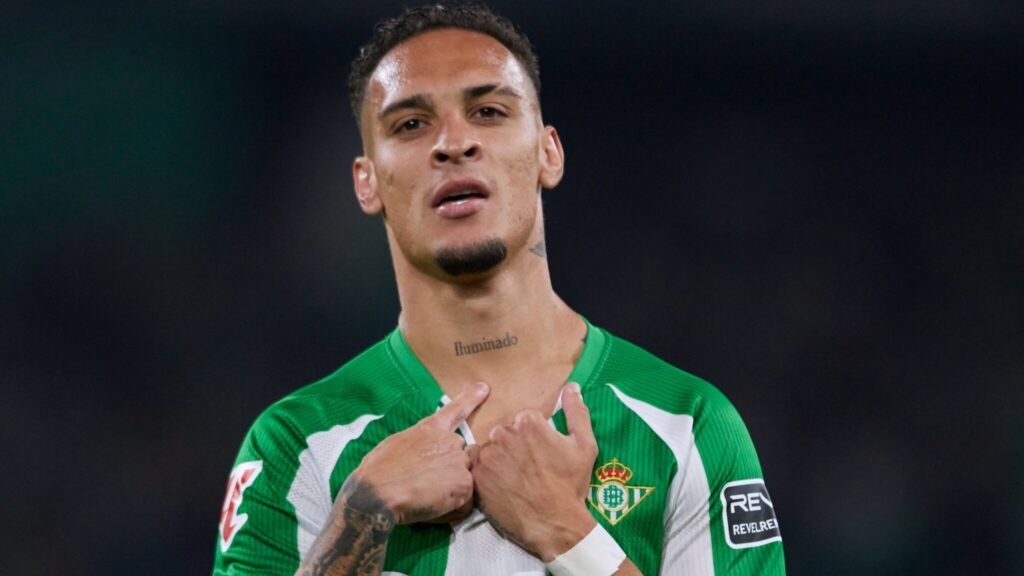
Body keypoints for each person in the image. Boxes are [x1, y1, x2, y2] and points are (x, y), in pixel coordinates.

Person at [212, 3, 785, 575]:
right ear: (367, 182)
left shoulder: (687, 425)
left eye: (487, 111)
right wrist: (361, 516)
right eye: (411, 124)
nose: (453, 143)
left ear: (548, 152)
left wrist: (566, 532)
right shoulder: (296, 446)